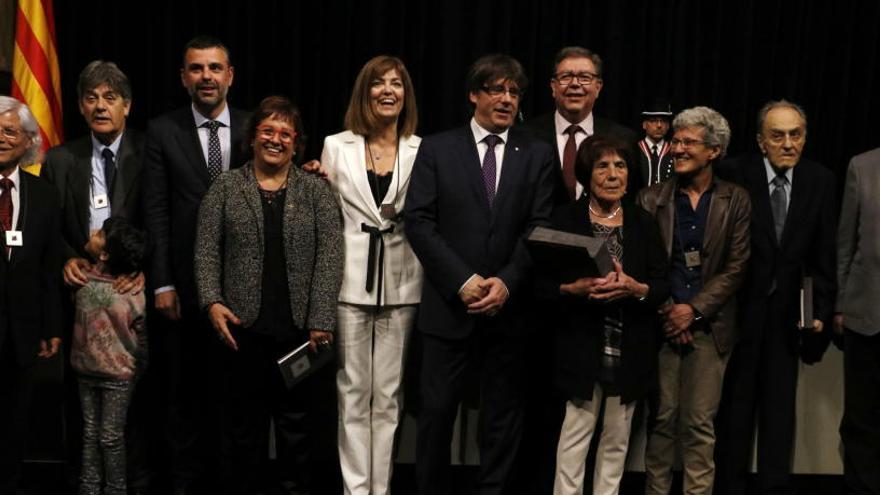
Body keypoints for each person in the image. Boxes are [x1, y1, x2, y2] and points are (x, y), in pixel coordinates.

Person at [404, 53, 556, 495]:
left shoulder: (537, 153)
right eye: (496, 89)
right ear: (474, 94)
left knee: (501, 418)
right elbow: (419, 221)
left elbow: (539, 227)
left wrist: (506, 281)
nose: (506, 99)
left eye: (513, 92)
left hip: (508, 311)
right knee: (436, 416)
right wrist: (464, 281)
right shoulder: (437, 147)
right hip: (449, 307)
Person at [194, 95, 343, 494]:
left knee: (298, 433)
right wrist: (212, 302)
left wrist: (321, 321)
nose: (276, 139)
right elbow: (206, 250)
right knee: (245, 431)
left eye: (285, 133)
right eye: (268, 131)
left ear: (296, 142)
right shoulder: (225, 188)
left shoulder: (316, 191)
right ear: (253, 137)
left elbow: (331, 257)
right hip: (243, 333)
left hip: (300, 336)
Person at [142, 35, 248, 494]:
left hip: (243, 287)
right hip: (183, 287)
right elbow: (157, 212)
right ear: (184, 78)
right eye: (196, 68)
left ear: (230, 76)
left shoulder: (253, 127)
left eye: (214, 68)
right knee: (182, 396)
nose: (206, 76)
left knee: (234, 399)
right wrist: (162, 282)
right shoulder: (162, 130)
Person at [714, 100, 836, 495]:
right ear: (760, 141)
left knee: (779, 415)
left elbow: (824, 255)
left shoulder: (820, 180)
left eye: (795, 134)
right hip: (739, 315)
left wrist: (818, 311)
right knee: (734, 413)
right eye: (778, 135)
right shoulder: (734, 173)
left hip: (788, 318)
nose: (788, 143)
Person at [41, 60, 151, 493]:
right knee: (82, 408)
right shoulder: (60, 159)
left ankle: (133, 483)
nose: (100, 106)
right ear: (81, 108)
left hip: (131, 295)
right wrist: (67, 257)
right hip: (81, 298)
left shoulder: (148, 151)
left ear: (127, 105)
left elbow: (158, 221)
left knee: (133, 407)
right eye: (91, 98)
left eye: (110, 98)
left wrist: (141, 267)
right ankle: (83, 483)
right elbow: (48, 228)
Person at [540, 135, 669, 495]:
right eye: (603, 166)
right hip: (580, 348)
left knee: (616, 445)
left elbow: (661, 285)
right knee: (573, 443)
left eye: (621, 165)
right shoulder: (564, 220)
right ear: (586, 173)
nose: (613, 174)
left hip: (629, 350)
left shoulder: (643, 222)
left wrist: (636, 288)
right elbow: (539, 285)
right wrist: (572, 289)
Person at [320, 55, 422, 495]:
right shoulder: (335, 145)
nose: (387, 91)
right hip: (350, 283)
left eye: (396, 84)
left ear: (405, 94)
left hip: (403, 283)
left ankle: (381, 488)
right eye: (379, 83)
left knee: (390, 396)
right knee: (352, 393)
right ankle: (355, 489)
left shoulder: (422, 149)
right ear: (365, 92)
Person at [637, 106, 751, 495]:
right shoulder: (651, 199)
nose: (677, 148)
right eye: (676, 141)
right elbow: (645, 264)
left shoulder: (735, 200)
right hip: (663, 324)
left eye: (688, 142)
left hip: (710, 326)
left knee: (700, 423)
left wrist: (694, 309)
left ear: (714, 151)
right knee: (663, 419)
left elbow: (736, 267)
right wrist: (671, 310)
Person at [0, 95, 62, 493]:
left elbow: (48, 267)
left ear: (27, 142)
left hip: (21, 334)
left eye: (8, 131)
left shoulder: (44, 194)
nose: (0, 139)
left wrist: (50, 325)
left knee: (12, 424)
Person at [71, 217, 147, 495]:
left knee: (110, 437)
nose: (93, 232)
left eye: (100, 233)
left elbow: (142, 336)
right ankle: (89, 488)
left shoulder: (134, 289)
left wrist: (136, 371)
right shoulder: (81, 278)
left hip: (119, 376)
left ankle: (116, 489)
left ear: (105, 253)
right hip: (85, 372)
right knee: (90, 434)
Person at [525, 46, 637, 205]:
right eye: (566, 77)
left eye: (584, 77)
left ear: (598, 87)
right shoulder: (526, 136)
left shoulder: (623, 138)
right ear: (553, 87)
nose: (575, 84)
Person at [835, 146, 880, 494]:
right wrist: (840, 304)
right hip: (866, 314)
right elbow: (846, 243)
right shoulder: (862, 166)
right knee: (861, 418)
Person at [636, 99, 674, 186]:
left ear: (668, 126)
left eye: (663, 121)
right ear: (644, 124)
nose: (659, 125)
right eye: (653, 120)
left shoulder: (674, 151)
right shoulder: (635, 150)